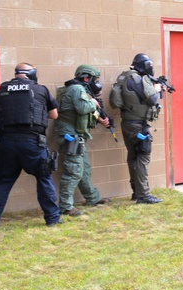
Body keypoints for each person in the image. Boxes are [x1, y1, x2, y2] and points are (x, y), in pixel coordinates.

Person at [0, 63, 62, 227]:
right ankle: (53, 219)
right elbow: (54, 115)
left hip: (6, 143)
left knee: (3, 181)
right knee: (44, 178)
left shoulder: (0, 91)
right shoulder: (41, 89)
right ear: (32, 74)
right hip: (32, 143)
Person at [54, 65, 112, 216]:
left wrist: (99, 118)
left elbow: (82, 112)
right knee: (74, 170)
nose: (97, 83)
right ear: (86, 78)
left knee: (83, 169)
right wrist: (94, 102)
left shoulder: (78, 89)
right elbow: (82, 108)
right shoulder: (76, 89)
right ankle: (65, 206)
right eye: (95, 79)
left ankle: (93, 197)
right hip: (70, 136)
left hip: (76, 134)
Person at [110, 53, 162, 204]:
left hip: (128, 122)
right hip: (138, 125)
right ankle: (143, 195)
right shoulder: (138, 80)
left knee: (133, 156)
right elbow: (152, 99)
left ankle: (136, 191)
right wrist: (156, 89)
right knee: (143, 156)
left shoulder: (125, 77)